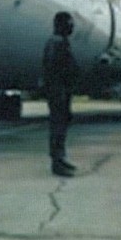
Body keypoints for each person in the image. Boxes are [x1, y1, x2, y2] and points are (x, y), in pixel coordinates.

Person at [42, 12, 79, 177]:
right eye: (69, 24)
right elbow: (54, 69)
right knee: (57, 127)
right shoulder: (56, 43)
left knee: (62, 126)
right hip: (58, 91)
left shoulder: (61, 42)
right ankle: (57, 162)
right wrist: (58, 90)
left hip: (62, 90)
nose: (71, 28)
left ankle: (61, 157)